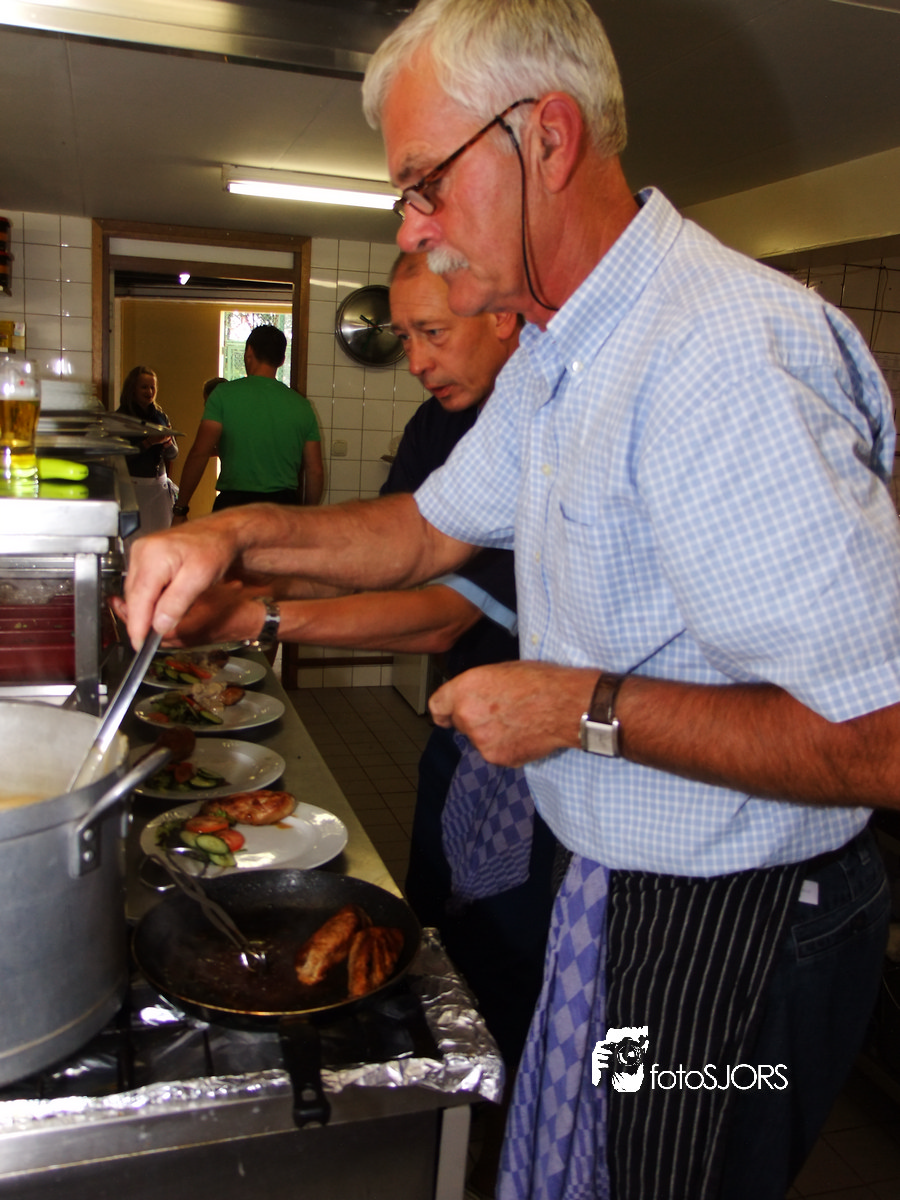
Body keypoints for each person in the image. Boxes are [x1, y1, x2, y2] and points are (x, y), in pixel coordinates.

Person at [119, 2, 899, 1197]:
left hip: (740, 934)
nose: (413, 228)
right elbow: (422, 529)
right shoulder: (559, 352)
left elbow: (879, 739)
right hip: (629, 895)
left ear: (548, 136)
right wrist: (230, 534)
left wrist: (579, 708)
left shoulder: (719, 353)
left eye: (426, 184)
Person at [160, 254, 557, 1100]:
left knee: (508, 964)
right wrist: (242, 571)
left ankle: (496, 1119)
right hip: (459, 732)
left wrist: (255, 614)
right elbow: (387, 554)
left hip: (542, 765)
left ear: (501, 316)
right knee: (427, 933)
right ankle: (436, 1102)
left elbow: (442, 612)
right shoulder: (434, 424)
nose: (415, 359)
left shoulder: (543, 428)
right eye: (405, 337)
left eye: (432, 333)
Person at [172, 325, 323, 521]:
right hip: (284, 509)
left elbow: (200, 453)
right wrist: (308, 516)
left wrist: (181, 508)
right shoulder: (302, 406)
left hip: (234, 507)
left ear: (249, 351)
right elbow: (315, 471)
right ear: (281, 360)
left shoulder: (223, 395)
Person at [116, 365, 178, 537]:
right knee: (134, 538)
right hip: (133, 489)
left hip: (159, 488)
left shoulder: (161, 416)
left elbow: (173, 454)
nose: (149, 391)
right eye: (144, 387)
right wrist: (148, 442)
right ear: (132, 389)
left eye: (152, 387)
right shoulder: (121, 418)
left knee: (161, 538)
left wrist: (167, 443)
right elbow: (121, 457)